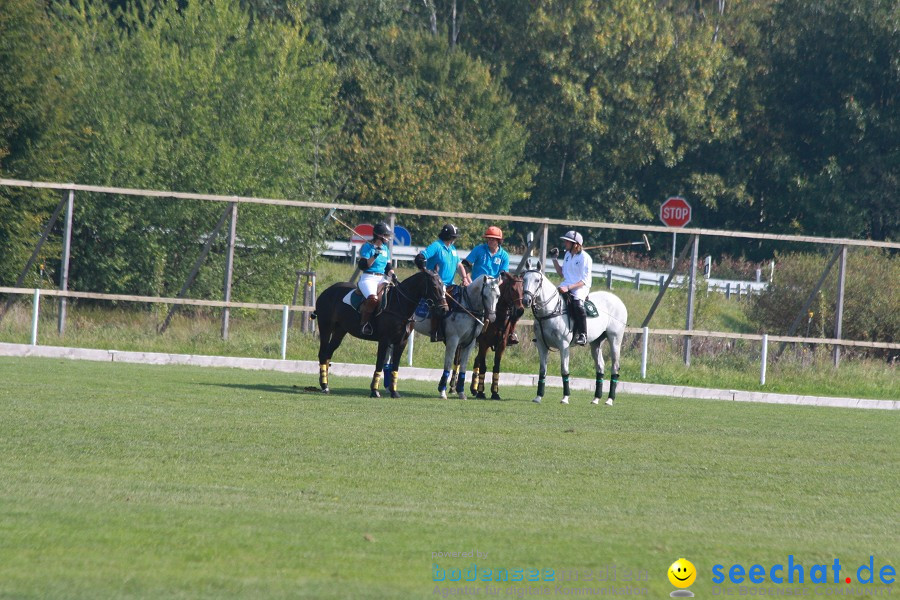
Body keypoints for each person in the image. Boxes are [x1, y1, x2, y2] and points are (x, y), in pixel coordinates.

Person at [462, 226, 519, 345]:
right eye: (488, 238)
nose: (490, 241)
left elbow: (503, 275)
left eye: (493, 239)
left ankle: (510, 333)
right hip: (476, 287)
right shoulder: (479, 250)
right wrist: (466, 279)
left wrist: (496, 285)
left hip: (494, 286)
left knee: (514, 305)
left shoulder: (504, 255)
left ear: (499, 241)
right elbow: (465, 265)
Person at [414, 224, 469, 341]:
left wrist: (464, 277)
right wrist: (424, 269)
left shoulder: (452, 249)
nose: (455, 239)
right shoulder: (436, 246)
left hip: (451, 285)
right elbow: (422, 256)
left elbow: (458, 265)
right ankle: (436, 331)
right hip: (436, 286)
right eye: (454, 237)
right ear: (449, 237)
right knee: (440, 305)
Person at [549, 230, 592, 346]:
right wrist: (554, 259)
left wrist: (568, 288)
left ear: (576, 244)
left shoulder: (585, 258)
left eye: (568, 242)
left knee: (577, 304)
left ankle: (583, 334)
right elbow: (562, 273)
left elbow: (584, 280)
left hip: (580, 287)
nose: (565, 243)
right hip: (566, 283)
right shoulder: (568, 255)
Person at [357, 222, 395, 335]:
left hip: (381, 278)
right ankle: (364, 324)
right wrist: (375, 255)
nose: (388, 238)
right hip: (368, 278)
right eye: (386, 236)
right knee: (373, 299)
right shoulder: (367, 247)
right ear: (380, 236)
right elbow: (363, 265)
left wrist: (393, 275)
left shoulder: (386, 249)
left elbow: (388, 267)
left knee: (393, 295)